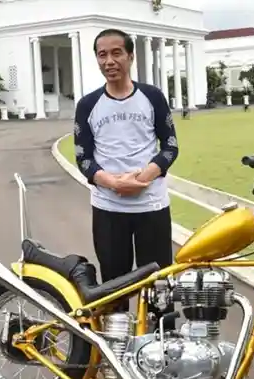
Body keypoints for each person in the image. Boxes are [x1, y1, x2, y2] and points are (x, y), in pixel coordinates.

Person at [73, 28, 179, 330]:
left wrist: (144, 177)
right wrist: (114, 183)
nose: (109, 61)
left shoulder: (152, 97)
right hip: (109, 209)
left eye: (116, 53)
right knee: (114, 287)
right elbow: (83, 157)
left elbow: (170, 146)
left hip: (152, 207)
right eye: (102, 55)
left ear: (130, 56)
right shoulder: (88, 105)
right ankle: (116, 351)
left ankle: (163, 348)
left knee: (159, 286)